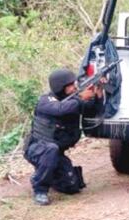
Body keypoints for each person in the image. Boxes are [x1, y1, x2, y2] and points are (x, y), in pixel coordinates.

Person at [24, 68, 104, 206]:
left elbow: (91, 110)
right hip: (37, 149)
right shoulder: (45, 101)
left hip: (55, 153)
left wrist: (97, 94)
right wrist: (80, 99)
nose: (75, 87)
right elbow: (59, 109)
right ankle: (40, 190)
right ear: (61, 87)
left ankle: (45, 173)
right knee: (51, 149)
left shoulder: (73, 100)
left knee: (72, 186)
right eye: (71, 85)